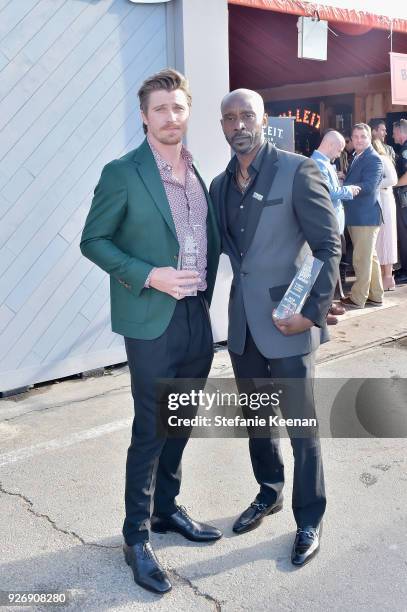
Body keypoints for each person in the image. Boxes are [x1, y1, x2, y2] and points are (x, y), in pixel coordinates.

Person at [80, 69, 222, 595]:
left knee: (181, 420)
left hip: (195, 316)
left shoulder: (196, 170)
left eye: (178, 108)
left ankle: (166, 510)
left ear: (188, 112)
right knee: (151, 428)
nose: (170, 117)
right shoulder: (123, 172)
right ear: (144, 116)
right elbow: (93, 240)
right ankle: (135, 535)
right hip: (150, 319)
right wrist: (148, 274)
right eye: (159, 109)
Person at [210, 89, 341, 567]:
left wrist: (313, 312)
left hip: (290, 323)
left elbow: (328, 246)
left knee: (302, 426)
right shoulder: (220, 185)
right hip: (243, 326)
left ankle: (310, 517)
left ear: (265, 120)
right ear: (222, 126)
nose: (239, 124)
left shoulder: (297, 169)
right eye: (230, 118)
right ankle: (270, 492)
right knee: (258, 423)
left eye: (247, 115)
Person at [311, 130, 361, 321]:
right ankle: (321, 310)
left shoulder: (324, 164)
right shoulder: (317, 164)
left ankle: (327, 304)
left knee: (333, 265)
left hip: (334, 222)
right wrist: (348, 190)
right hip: (327, 222)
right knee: (327, 266)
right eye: (339, 149)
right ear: (330, 145)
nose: (340, 153)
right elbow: (328, 192)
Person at [341, 123, 384, 309]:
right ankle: (376, 295)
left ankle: (358, 298)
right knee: (370, 257)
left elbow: (369, 186)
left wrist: (346, 189)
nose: (359, 140)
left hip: (365, 217)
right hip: (360, 216)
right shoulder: (358, 156)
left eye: (363, 137)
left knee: (361, 258)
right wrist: (345, 178)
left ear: (369, 139)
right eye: (355, 136)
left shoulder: (373, 159)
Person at [372, 138, 398, 290]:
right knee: (381, 239)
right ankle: (384, 275)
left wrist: (373, 183)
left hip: (385, 201)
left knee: (387, 237)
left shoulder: (382, 159)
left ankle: (388, 276)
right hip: (380, 200)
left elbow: (393, 179)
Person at [392, 119, 407, 283]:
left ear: (401, 132)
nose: (393, 135)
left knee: (404, 234)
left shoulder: (405, 149)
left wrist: (393, 184)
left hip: (405, 199)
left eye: (394, 132)